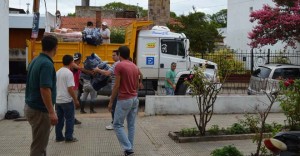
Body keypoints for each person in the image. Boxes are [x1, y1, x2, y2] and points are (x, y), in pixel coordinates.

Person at [24, 35, 58, 156]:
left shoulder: (35, 60)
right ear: (55, 48)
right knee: (39, 147)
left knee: (39, 142)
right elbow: (44, 89)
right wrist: (51, 112)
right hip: (40, 111)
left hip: (31, 107)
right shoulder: (46, 64)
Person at [109, 46, 139, 156]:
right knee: (131, 125)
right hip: (134, 98)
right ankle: (129, 148)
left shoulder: (119, 65)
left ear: (120, 54)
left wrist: (111, 101)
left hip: (124, 99)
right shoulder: (134, 66)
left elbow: (116, 86)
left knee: (117, 124)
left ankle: (128, 148)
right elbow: (136, 84)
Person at [55, 55, 80, 143]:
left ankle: (58, 137)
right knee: (70, 119)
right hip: (66, 100)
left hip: (58, 100)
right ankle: (69, 137)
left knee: (59, 119)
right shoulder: (69, 73)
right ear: (71, 62)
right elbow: (70, 89)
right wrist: (76, 100)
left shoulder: (57, 72)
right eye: (73, 62)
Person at [93, 50, 120, 130]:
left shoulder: (116, 64)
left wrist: (98, 70)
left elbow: (107, 73)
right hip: (118, 90)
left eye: (114, 55)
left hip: (116, 90)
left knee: (113, 107)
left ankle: (114, 124)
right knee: (117, 107)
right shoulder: (120, 64)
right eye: (112, 55)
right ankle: (117, 123)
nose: (112, 56)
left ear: (119, 56)